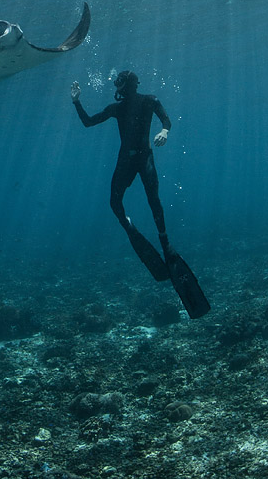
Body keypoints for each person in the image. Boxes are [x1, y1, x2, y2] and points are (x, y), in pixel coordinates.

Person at [71, 73, 210, 318]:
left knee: (146, 201)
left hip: (140, 158)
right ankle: (141, 232)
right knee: (123, 202)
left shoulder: (148, 101)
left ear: (129, 85)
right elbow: (88, 122)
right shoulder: (121, 107)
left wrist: (165, 131)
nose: (119, 87)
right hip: (131, 159)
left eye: (120, 83)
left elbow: (166, 121)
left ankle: (160, 240)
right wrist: (76, 101)